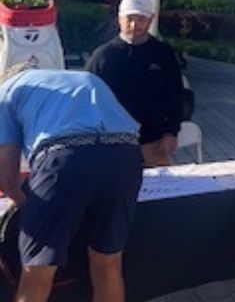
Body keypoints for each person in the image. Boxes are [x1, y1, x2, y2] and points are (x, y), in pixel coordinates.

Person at [0, 65, 143, 302]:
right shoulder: (82, 78)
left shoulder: (6, 91)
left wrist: (26, 204)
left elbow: (6, 175)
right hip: (126, 154)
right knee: (108, 263)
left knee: (37, 272)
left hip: (65, 158)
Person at [85, 0, 186, 167]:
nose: (134, 25)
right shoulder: (103, 57)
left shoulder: (163, 54)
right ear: (119, 18)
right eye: (129, 18)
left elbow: (177, 96)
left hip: (154, 144)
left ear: (151, 19)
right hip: (113, 144)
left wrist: (171, 132)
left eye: (141, 19)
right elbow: (86, 101)